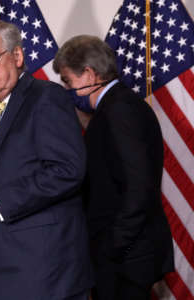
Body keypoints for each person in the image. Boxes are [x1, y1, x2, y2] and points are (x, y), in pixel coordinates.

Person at [0, 20, 93, 300]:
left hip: (45, 274)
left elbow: (68, 169)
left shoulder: (45, 97)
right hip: (8, 272)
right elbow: (14, 170)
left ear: (17, 57)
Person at [52, 35, 174, 300]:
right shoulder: (116, 106)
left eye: (67, 80)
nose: (66, 88)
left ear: (88, 74)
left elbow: (139, 186)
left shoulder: (119, 110)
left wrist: (112, 247)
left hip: (126, 258)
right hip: (125, 255)